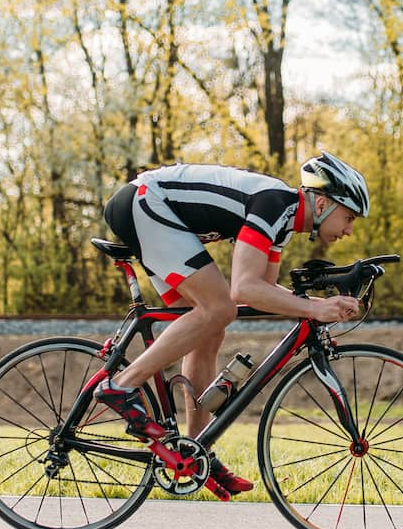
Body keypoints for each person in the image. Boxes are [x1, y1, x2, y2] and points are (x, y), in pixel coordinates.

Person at [94, 152, 369, 498]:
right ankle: (122, 385)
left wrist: (317, 306)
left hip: (150, 209)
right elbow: (243, 289)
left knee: (211, 325)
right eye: (348, 217)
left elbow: (260, 293)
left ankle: (196, 450)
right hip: (146, 202)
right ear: (324, 202)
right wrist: (315, 309)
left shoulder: (282, 222)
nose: (348, 229)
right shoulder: (275, 204)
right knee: (218, 308)